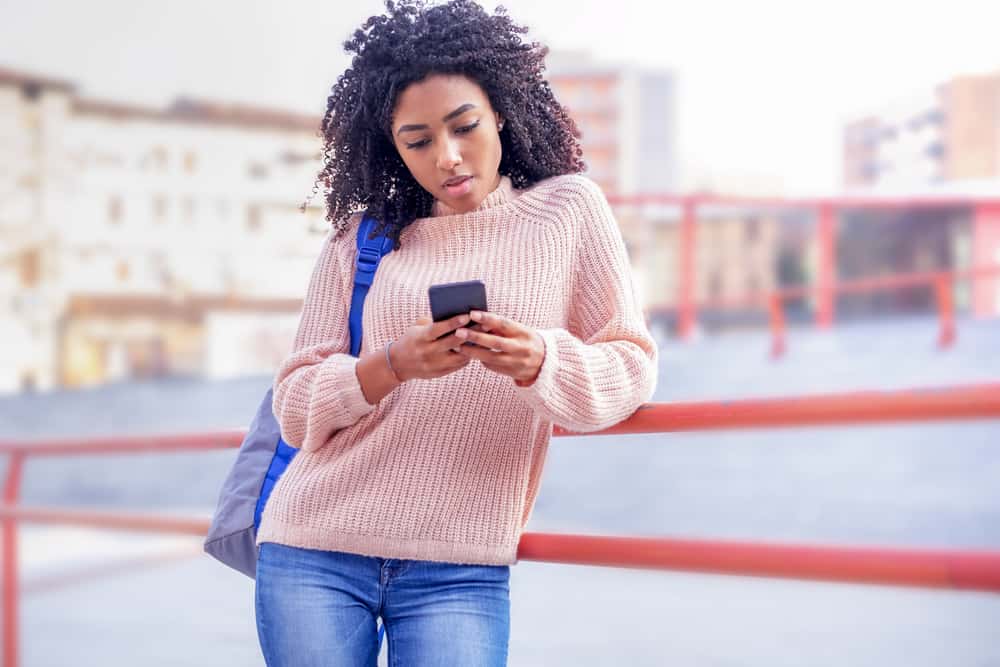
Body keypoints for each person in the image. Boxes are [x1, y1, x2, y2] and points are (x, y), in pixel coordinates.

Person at [254, 1, 659, 664]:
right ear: (393, 146)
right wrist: (391, 365)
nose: (447, 156)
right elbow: (294, 404)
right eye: (417, 140)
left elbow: (631, 363)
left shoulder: (568, 210)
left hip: (459, 568)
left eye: (464, 126)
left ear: (498, 109)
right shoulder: (363, 239)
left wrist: (539, 360)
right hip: (314, 547)